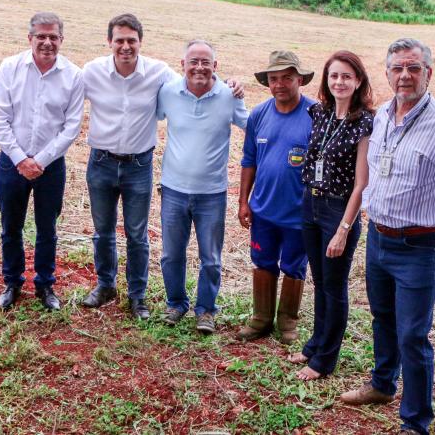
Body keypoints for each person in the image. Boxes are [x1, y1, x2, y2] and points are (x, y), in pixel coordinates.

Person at [340, 38, 435, 435]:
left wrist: (424, 224)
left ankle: (415, 422)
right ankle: (382, 385)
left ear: (428, 73)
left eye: (414, 68)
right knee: (383, 318)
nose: (404, 75)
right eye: (397, 68)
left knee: (413, 335)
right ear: (386, 73)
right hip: (377, 238)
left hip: (419, 246)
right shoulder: (382, 115)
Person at [79, 13, 242, 319]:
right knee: (102, 231)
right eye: (120, 40)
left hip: (139, 165)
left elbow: (198, 77)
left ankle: (137, 295)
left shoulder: (159, 74)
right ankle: (105, 285)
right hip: (100, 161)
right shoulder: (91, 72)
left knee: (137, 234)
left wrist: (229, 83)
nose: (126, 46)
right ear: (109, 42)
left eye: (132, 40)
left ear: (140, 42)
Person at [289, 50, 374, 381]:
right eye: (334, 75)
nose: (339, 82)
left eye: (346, 76)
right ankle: (314, 345)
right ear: (326, 79)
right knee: (320, 281)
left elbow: (361, 183)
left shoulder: (365, 122)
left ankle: (324, 360)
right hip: (310, 204)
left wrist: (343, 228)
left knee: (334, 286)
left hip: (339, 209)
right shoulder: (319, 113)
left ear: (358, 81)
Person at [0, 12, 83, 312]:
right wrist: (21, 159)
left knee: (47, 228)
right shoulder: (10, 67)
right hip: (12, 163)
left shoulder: (73, 75)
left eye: (53, 37)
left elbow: (71, 126)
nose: (47, 42)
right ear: (29, 38)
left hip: (51, 166)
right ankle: (12, 282)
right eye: (40, 36)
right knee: (11, 226)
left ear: (61, 40)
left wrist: (40, 161)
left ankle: (45, 285)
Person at [156, 40, 248, 334]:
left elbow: (251, 125)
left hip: (212, 193)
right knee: (172, 253)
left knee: (210, 257)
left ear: (215, 67)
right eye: (193, 61)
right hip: (173, 189)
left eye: (205, 62)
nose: (199, 67)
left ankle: (206, 310)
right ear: (182, 64)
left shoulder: (228, 95)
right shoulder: (168, 91)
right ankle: (176, 303)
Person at [237, 50, 316, 344]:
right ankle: (261, 319)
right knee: (262, 260)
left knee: (294, 266)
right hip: (264, 210)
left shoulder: (315, 114)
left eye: (287, 77)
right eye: (274, 78)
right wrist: (243, 201)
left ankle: (287, 321)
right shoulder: (258, 114)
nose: (280, 84)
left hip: (299, 212)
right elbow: (249, 160)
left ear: (299, 80)